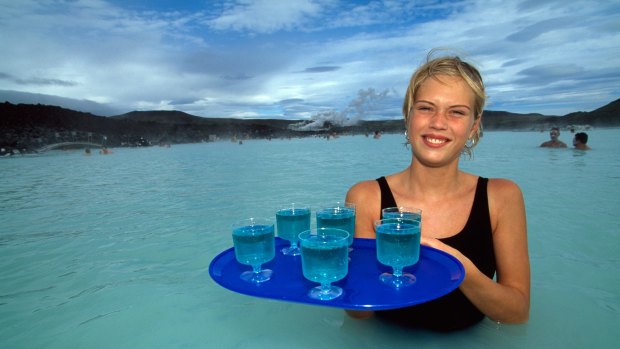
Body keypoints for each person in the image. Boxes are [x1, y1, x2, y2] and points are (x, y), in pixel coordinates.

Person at [345, 52, 530, 331]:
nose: (438, 122)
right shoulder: (366, 196)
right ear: (408, 117)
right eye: (426, 108)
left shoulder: (501, 196)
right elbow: (360, 314)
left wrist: (460, 269)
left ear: (473, 126)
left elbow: (516, 313)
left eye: (456, 112)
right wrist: (344, 271)